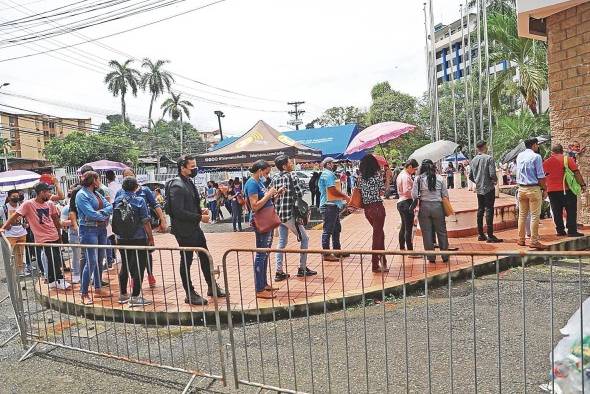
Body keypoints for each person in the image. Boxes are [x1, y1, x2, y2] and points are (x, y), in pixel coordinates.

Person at [168, 155, 225, 306]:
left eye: (195, 166)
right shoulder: (177, 185)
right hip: (184, 231)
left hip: (194, 228)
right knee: (186, 261)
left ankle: (212, 286)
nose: (195, 169)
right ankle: (190, 293)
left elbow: (190, 204)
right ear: (182, 168)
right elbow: (177, 211)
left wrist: (201, 210)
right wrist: (199, 217)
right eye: (192, 166)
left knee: (205, 257)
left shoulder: (188, 182)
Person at [1, 183, 71, 289]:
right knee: (54, 259)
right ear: (41, 192)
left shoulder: (50, 204)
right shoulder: (28, 204)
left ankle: (52, 281)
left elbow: (56, 221)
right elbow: (15, 216)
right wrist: (4, 227)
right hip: (43, 238)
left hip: (54, 235)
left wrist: (63, 229)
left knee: (55, 258)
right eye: (48, 192)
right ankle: (59, 279)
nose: (50, 194)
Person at [270, 155, 317, 281]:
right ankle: (302, 268)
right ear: (285, 165)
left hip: (279, 215)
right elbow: (300, 193)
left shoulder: (274, 177)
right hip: (290, 215)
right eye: (290, 162)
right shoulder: (292, 176)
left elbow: (271, 194)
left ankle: (279, 271)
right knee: (305, 239)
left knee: (281, 243)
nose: (292, 164)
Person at [122, 167, 167, 287]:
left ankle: (150, 274)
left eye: (130, 175)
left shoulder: (145, 190)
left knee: (147, 253)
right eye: (125, 175)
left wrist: (162, 219)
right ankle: (134, 278)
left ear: (135, 176)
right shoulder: (121, 193)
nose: (128, 177)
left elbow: (155, 205)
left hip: (143, 228)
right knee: (131, 256)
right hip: (128, 230)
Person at [115, 177, 155, 307]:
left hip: (122, 238)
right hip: (138, 238)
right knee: (139, 266)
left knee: (125, 265)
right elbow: (145, 221)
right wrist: (150, 237)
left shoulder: (117, 201)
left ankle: (123, 294)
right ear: (136, 187)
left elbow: (114, 220)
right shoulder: (139, 200)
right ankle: (136, 296)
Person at [76, 171, 113, 304]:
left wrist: (101, 214)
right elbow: (90, 214)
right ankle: (84, 293)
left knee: (99, 259)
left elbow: (110, 206)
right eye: (98, 179)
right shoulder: (81, 195)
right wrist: (103, 215)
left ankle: (98, 288)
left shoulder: (96, 193)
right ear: (93, 180)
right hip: (89, 230)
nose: (99, 181)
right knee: (91, 261)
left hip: (101, 229)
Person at [244, 160, 279, 298]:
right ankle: (259, 289)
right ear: (259, 170)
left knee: (265, 253)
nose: (267, 175)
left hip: (266, 220)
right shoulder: (252, 183)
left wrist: (273, 194)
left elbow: (264, 199)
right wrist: (269, 194)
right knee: (261, 253)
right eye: (266, 172)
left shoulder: (258, 182)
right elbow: (255, 206)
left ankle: (263, 284)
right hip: (261, 221)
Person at [411, 159, 450, 264]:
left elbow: (414, 195)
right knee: (441, 232)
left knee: (426, 233)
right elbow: (445, 195)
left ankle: (431, 257)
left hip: (424, 207)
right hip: (438, 207)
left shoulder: (418, 179)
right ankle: (445, 256)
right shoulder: (440, 178)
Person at [543, 144, 586, 237]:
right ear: (562, 151)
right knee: (571, 210)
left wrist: (544, 189)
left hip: (551, 190)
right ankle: (571, 231)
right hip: (567, 189)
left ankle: (560, 230)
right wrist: (582, 184)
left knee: (556, 211)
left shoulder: (546, 162)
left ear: (552, 152)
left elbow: (543, 176)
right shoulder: (567, 159)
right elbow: (576, 173)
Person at [358, 154, 390, 272]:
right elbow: (384, 191)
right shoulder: (376, 177)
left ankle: (384, 261)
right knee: (377, 236)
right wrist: (387, 177)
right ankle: (375, 265)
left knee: (380, 234)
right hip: (377, 208)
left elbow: (361, 193)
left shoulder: (360, 178)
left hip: (367, 210)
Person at [515, 138, 547, 249]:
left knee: (522, 215)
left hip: (521, 189)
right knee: (534, 215)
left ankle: (521, 239)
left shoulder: (519, 156)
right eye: (537, 145)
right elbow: (541, 176)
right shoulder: (536, 157)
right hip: (533, 188)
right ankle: (534, 241)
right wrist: (545, 189)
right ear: (534, 145)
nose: (538, 147)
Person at [469, 140, 503, 243]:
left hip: (479, 189)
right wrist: (495, 181)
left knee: (480, 210)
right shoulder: (489, 158)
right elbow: (492, 174)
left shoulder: (474, 160)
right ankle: (490, 235)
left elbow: (470, 176)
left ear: (477, 148)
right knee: (489, 210)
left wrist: (478, 182)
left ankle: (480, 234)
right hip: (488, 188)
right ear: (485, 147)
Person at [318, 157, 350, 261]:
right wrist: (345, 196)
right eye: (332, 163)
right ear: (328, 164)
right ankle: (326, 254)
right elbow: (332, 190)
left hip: (333, 205)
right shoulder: (328, 174)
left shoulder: (329, 174)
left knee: (336, 229)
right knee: (328, 230)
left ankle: (337, 250)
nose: (334, 165)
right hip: (329, 206)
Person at [1, 190, 29, 277]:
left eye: (17, 196)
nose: (16, 197)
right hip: (9, 234)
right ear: (9, 197)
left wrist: (26, 224)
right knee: (9, 254)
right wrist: (3, 225)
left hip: (21, 233)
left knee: (20, 254)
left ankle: (20, 271)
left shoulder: (21, 206)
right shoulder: (3, 208)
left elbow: (26, 217)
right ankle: (10, 272)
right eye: (14, 196)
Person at [396, 159, 419, 251]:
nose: (415, 171)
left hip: (401, 202)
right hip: (406, 202)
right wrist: (415, 194)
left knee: (404, 226)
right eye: (414, 169)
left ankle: (402, 247)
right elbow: (407, 191)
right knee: (408, 227)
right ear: (410, 167)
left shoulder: (401, 175)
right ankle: (410, 250)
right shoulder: (406, 176)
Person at [60, 192, 81, 284]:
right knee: (76, 255)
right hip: (74, 234)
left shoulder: (84, 205)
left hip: (86, 234)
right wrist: (74, 221)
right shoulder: (66, 208)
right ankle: (76, 274)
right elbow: (62, 222)